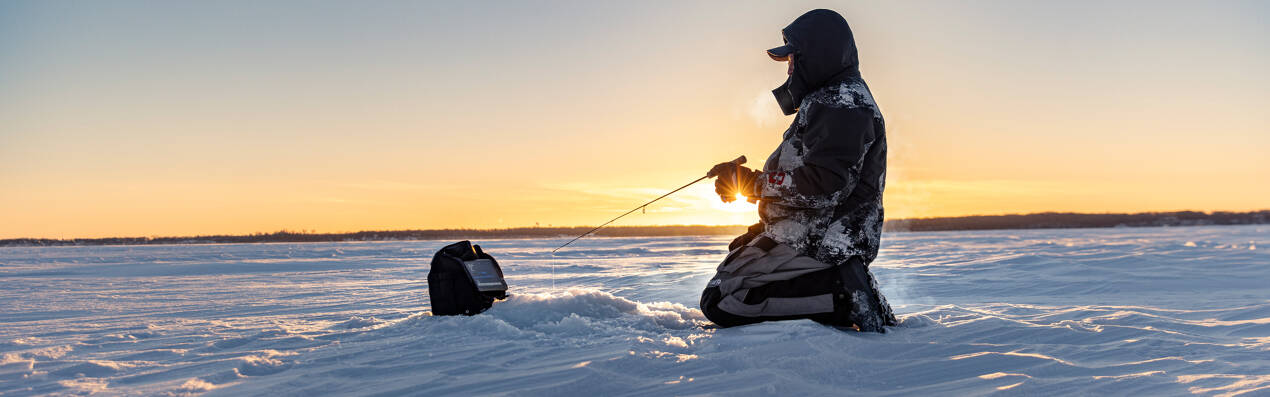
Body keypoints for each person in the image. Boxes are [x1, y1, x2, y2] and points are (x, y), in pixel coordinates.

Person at [699, 9, 897, 332]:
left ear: (816, 56)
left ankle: (840, 293)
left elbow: (825, 185)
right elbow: (806, 176)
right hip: (803, 234)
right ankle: (830, 284)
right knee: (730, 273)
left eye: (793, 59)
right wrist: (749, 192)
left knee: (723, 300)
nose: (789, 67)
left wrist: (753, 183)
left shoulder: (843, 104)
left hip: (822, 243)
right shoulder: (828, 100)